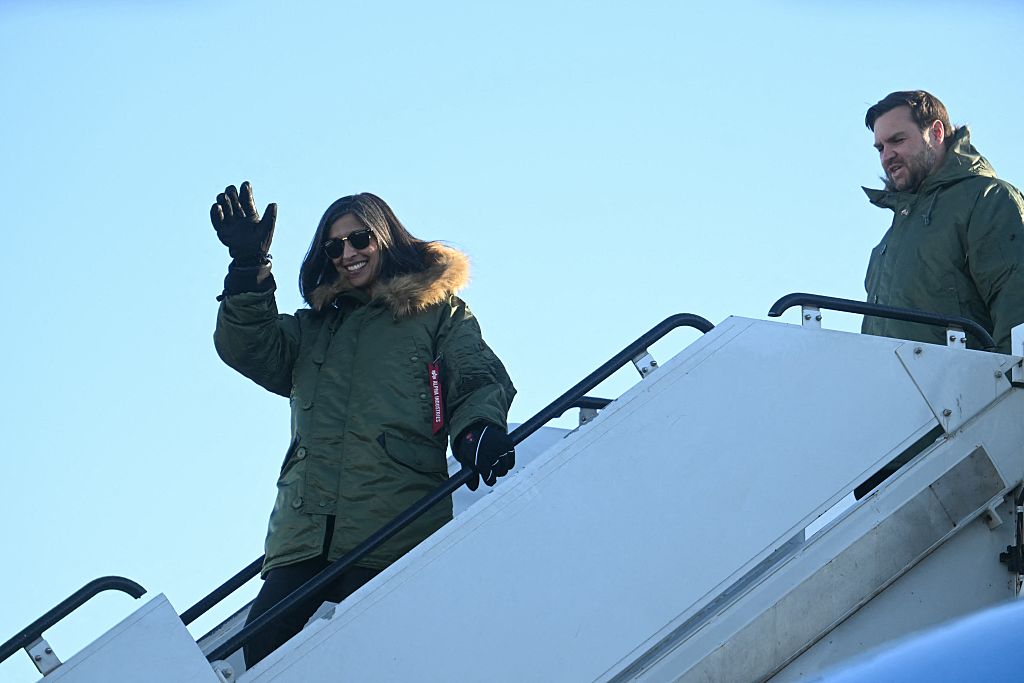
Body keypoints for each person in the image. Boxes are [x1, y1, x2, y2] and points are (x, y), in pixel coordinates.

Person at [210, 182, 517, 667]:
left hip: (392, 525)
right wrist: (248, 266)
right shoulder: (312, 331)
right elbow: (247, 347)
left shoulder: (436, 313)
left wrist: (477, 431)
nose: (346, 254)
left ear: (385, 237)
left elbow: (474, 375)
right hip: (304, 529)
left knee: (373, 659)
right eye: (334, 246)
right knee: (263, 653)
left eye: (359, 240)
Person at [862, 90, 1024, 353]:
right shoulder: (888, 243)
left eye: (897, 140)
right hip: (890, 389)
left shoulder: (987, 199)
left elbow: (1017, 302)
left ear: (936, 133)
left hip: (973, 389)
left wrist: (1009, 387)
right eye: (881, 148)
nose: (887, 155)